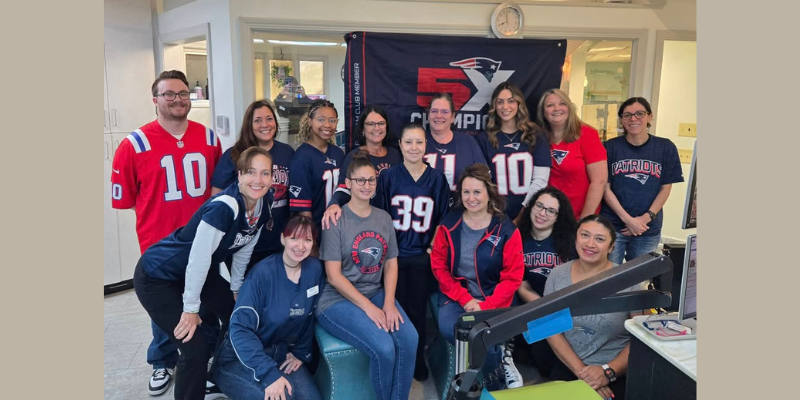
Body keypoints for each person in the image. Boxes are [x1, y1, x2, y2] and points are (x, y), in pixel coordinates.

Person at [111, 69, 222, 396]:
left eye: (183, 93)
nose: (177, 99)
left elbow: (218, 190)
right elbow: (128, 200)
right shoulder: (135, 144)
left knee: (203, 305)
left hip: (203, 242)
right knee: (166, 311)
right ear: (155, 99)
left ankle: (202, 362)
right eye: (169, 94)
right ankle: (162, 361)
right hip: (160, 247)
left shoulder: (209, 138)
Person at [134, 147, 274, 400]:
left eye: (265, 173)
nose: (258, 179)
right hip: (157, 275)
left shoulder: (264, 201)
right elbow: (197, 260)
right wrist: (191, 308)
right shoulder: (224, 207)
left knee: (237, 315)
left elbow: (245, 246)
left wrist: (236, 288)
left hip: (195, 270)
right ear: (239, 175)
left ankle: (216, 377)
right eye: (251, 172)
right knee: (194, 348)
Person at [315, 151, 418, 400]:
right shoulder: (335, 219)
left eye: (371, 180)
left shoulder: (383, 218)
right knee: (384, 347)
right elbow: (333, 276)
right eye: (360, 180)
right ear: (348, 183)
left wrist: (389, 303)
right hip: (336, 300)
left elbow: (391, 263)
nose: (366, 185)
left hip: (375, 291)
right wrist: (369, 308)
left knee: (410, 339)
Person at [430, 163, 524, 390]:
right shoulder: (449, 224)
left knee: (483, 334)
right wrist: (465, 300)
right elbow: (439, 267)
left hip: (494, 298)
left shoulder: (506, 230)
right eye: (466, 192)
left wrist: (485, 306)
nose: (471, 198)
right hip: (457, 296)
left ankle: (495, 384)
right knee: (452, 329)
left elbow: (513, 277)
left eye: (476, 192)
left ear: (489, 194)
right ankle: (498, 360)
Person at [212, 215, 324, 400]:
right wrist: (268, 374)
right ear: (282, 238)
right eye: (294, 238)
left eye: (307, 240)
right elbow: (239, 329)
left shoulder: (314, 270)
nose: (300, 246)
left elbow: (309, 314)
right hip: (239, 359)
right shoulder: (262, 274)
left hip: (279, 354)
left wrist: (300, 353)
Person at [376, 122, 451, 381]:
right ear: (400, 144)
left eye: (419, 142)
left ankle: (416, 359)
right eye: (408, 141)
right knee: (392, 309)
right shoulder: (388, 176)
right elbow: (381, 216)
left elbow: (442, 219)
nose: (414, 147)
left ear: (426, 145)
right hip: (393, 257)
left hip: (421, 255)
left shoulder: (437, 179)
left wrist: (430, 249)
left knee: (417, 311)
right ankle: (396, 358)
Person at [544, 214, 647, 400]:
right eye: (585, 235)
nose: (590, 244)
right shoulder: (557, 275)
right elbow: (550, 329)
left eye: (599, 239)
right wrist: (585, 375)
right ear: (576, 238)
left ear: (611, 246)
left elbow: (642, 338)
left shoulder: (628, 281)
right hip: (570, 366)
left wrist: (607, 372)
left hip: (616, 370)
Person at [211, 99, 294, 270]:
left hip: (279, 239)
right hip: (242, 241)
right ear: (249, 125)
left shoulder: (287, 152)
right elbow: (216, 197)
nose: (265, 124)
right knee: (245, 285)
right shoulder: (234, 155)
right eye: (257, 120)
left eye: (269, 118)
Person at [600, 97, 684, 264]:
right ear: (622, 119)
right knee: (608, 276)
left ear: (649, 116)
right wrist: (628, 220)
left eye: (639, 113)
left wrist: (645, 218)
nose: (633, 119)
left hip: (647, 228)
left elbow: (665, 188)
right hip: (613, 226)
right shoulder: (610, 147)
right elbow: (604, 187)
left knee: (640, 277)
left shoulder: (665, 147)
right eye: (627, 115)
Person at [512, 187, 577, 380]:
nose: (542, 213)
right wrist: (544, 307)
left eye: (551, 210)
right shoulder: (517, 238)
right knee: (545, 364)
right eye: (539, 206)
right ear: (531, 207)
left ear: (558, 217)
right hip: (533, 308)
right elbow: (521, 285)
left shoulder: (570, 240)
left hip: (565, 307)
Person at [475, 82, 551, 220]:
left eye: (511, 101)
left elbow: (540, 180)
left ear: (519, 103)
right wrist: (493, 212)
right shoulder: (484, 138)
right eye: (500, 102)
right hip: (495, 214)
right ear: (494, 106)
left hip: (529, 214)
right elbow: (482, 181)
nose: (505, 107)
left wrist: (523, 214)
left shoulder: (535, 135)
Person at [537, 89, 608, 220]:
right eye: (550, 105)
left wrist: (585, 218)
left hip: (578, 217)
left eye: (562, 103)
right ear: (543, 113)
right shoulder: (539, 138)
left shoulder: (587, 134)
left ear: (570, 108)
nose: (556, 108)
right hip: (547, 217)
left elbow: (599, 181)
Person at [323, 105, 402, 219]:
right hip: (364, 220)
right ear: (362, 129)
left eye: (381, 123)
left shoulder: (395, 154)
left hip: (393, 219)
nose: (377, 128)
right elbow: (343, 189)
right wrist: (334, 204)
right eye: (370, 124)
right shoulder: (354, 156)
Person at [289, 99, 345, 231]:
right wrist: (311, 235)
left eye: (332, 120)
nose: (327, 125)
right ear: (310, 121)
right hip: (317, 230)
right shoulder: (301, 157)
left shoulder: (338, 153)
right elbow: (303, 209)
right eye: (321, 119)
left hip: (339, 228)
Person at [423, 93, 487, 199]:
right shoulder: (417, 141)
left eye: (445, 112)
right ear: (428, 115)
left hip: (460, 207)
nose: (439, 116)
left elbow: (484, 180)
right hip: (425, 206)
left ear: (453, 117)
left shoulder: (468, 142)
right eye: (434, 111)